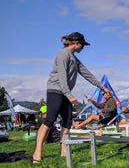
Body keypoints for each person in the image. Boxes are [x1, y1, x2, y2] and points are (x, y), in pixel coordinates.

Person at [32, 32, 111, 163]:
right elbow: (62, 77)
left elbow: (87, 74)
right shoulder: (63, 54)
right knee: (50, 119)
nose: (83, 48)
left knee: (67, 121)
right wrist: (69, 95)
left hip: (65, 92)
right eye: (82, 45)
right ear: (76, 43)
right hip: (56, 90)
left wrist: (102, 87)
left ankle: (64, 151)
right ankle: (37, 152)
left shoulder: (73, 58)